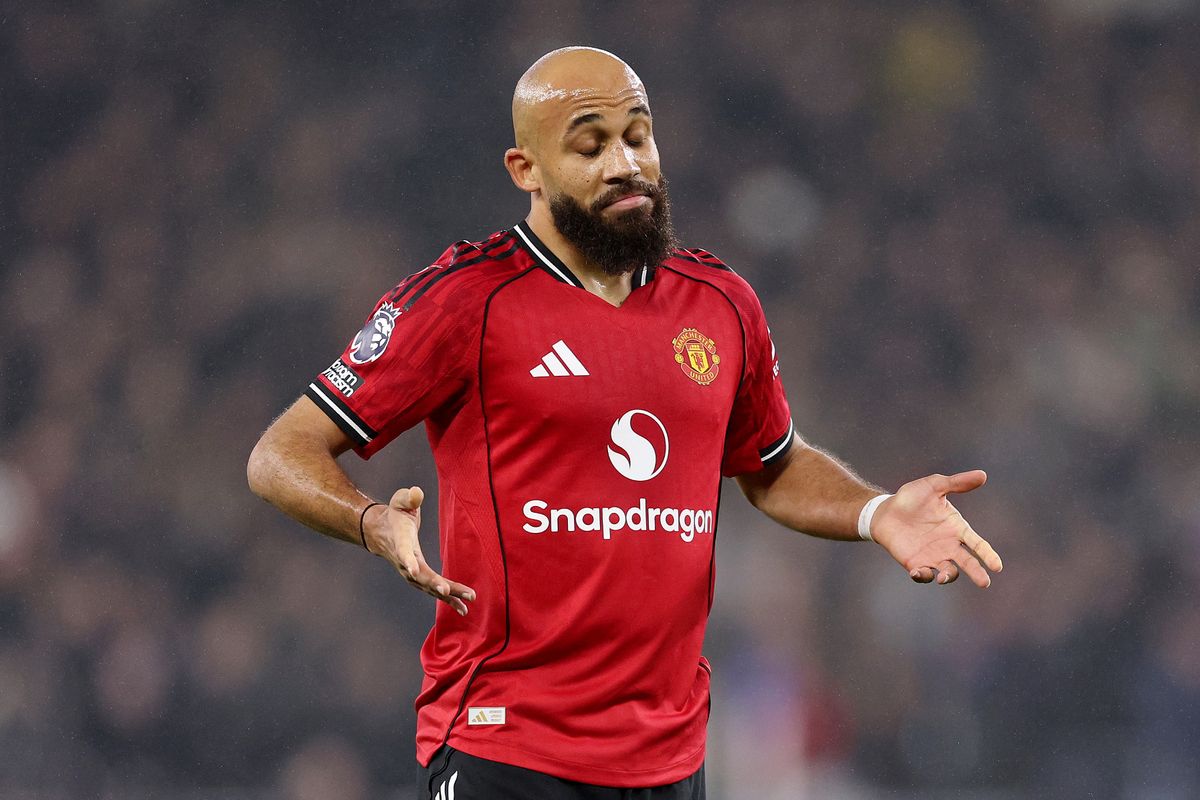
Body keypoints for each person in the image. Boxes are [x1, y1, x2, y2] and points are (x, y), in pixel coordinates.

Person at [246, 46, 1003, 800]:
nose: (623, 163)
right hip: (506, 745)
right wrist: (371, 520)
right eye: (589, 145)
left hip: (668, 760)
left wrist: (875, 513)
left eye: (637, 136)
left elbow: (770, 465)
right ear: (526, 170)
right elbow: (282, 453)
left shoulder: (720, 304)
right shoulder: (463, 302)